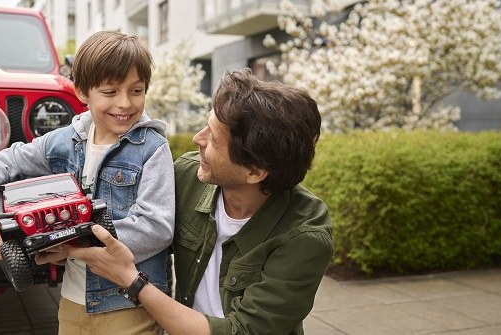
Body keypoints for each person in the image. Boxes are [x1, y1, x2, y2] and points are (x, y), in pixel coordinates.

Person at [40, 68, 334, 335]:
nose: (197, 139)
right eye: (206, 125)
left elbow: (243, 331)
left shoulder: (304, 234)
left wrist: (133, 281)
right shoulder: (186, 176)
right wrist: (72, 247)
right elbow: (138, 232)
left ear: (255, 171)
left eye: (214, 139)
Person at [0, 30, 175, 335]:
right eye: (110, 92)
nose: (124, 103)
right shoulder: (64, 141)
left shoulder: (151, 148)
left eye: (136, 90)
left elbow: (156, 228)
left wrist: (73, 243)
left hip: (128, 303)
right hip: (71, 302)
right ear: (82, 92)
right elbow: (1, 162)